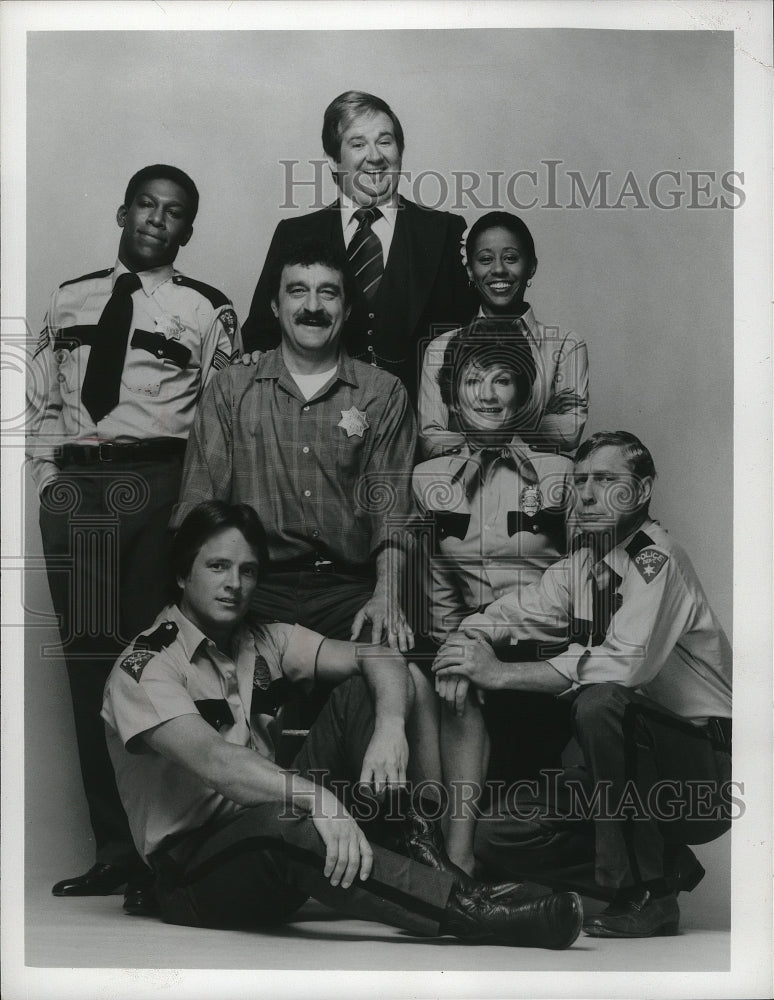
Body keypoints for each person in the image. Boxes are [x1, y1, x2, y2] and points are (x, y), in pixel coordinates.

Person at [100, 500, 584, 948]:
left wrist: (391, 727)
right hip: (196, 873)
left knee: (372, 688)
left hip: (273, 836)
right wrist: (319, 800)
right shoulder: (145, 665)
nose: (235, 584)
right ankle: (472, 912)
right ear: (183, 575)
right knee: (288, 817)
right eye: (218, 566)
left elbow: (377, 653)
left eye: (248, 571)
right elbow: (217, 762)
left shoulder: (263, 639)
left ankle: (428, 853)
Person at [27, 164, 242, 915]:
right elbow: (38, 400)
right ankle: (114, 852)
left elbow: (220, 419)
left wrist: (194, 511)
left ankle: (168, 850)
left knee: (151, 664)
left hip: (160, 489)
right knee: (90, 667)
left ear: (188, 229)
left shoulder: (207, 309)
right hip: (82, 493)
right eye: (147, 205)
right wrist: (49, 480)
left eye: (175, 212)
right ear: (123, 210)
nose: (157, 219)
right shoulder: (69, 297)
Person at [433, 432, 733, 937]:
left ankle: (650, 896)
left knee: (601, 703)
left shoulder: (657, 559)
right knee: (496, 836)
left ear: (641, 491)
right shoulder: (584, 565)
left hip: (704, 771)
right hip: (630, 772)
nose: (587, 494)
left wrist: (498, 673)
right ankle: (663, 866)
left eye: (606, 480)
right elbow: (516, 610)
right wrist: (462, 645)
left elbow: (624, 666)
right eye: (580, 481)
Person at [173, 238, 416, 654]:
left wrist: (387, 596)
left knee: (397, 675)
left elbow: (392, 511)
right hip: (253, 588)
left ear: (348, 309)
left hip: (348, 591)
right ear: (275, 305)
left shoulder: (384, 394)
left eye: (328, 292)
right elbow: (199, 508)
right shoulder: (232, 389)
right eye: (298, 290)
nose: (313, 306)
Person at [412, 329, 574, 875]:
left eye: (501, 379)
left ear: (522, 393)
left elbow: (587, 587)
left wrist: (476, 641)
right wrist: (451, 652)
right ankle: (456, 861)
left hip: (548, 660)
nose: (486, 394)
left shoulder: (561, 477)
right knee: (436, 684)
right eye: (472, 381)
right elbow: (439, 594)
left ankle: (456, 864)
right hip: (473, 660)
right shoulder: (429, 479)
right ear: (452, 397)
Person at [241, 90, 475, 404]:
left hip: (420, 431)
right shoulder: (294, 234)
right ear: (333, 160)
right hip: (315, 427)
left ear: (400, 151)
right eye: (358, 143)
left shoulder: (445, 231)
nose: (375, 156)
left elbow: (470, 341)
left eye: (385, 141)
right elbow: (260, 336)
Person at [418, 211, 588, 459]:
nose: (498, 269)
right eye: (485, 259)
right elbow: (431, 441)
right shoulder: (441, 347)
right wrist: (536, 415)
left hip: (541, 485)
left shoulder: (566, 345)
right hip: (465, 486)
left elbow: (569, 433)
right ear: (469, 271)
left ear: (531, 266)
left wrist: (468, 419)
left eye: (511, 258)